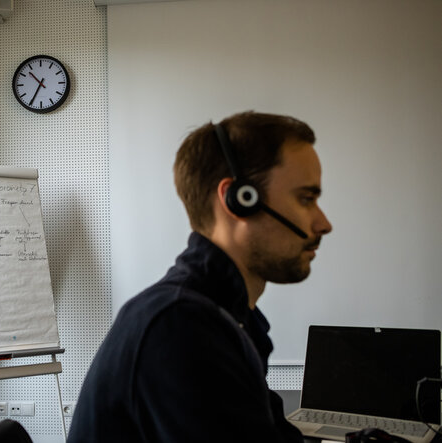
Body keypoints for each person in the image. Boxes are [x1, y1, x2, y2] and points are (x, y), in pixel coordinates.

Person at [67, 111, 333, 442]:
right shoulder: (180, 326)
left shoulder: (228, 315)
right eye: (306, 198)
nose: (324, 224)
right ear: (240, 200)